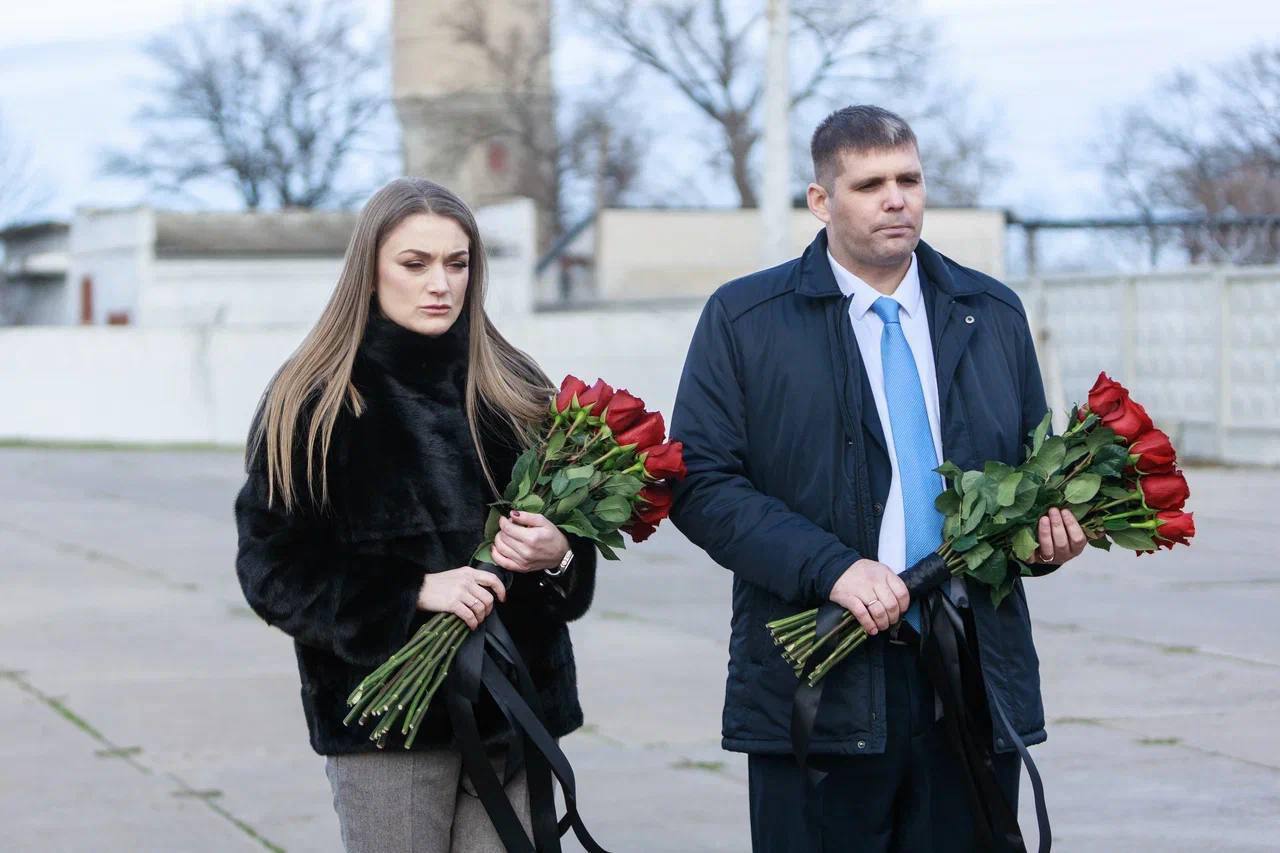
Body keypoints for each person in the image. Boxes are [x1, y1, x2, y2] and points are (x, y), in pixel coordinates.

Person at [669, 105, 1089, 852]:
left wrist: (1045, 540)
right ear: (821, 200)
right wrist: (830, 568)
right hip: (822, 682)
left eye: (910, 179)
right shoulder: (746, 318)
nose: (897, 198)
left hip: (972, 677)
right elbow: (699, 482)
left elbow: (1028, 475)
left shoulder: (990, 313)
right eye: (870, 184)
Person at [234, 177, 597, 852]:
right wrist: (411, 592)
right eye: (415, 263)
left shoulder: (517, 388)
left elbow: (571, 555)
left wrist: (561, 553)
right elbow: (271, 567)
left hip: (517, 714)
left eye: (456, 263)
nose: (440, 283)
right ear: (369, 269)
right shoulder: (312, 400)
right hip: (386, 720)